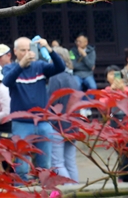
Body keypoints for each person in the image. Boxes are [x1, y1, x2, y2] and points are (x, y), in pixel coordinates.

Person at [2, 37, 65, 179]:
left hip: (43, 122)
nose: (27, 53)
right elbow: (7, 81)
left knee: (45, 165)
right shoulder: (10, 68)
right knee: (22, 166)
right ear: (15, 52)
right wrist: (21, 65)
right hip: (21, 124)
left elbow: (61, 67)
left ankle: (45, 192)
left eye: (29, 49)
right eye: (23, 50)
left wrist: (49, 48)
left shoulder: (40, 66)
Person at [47, 46, 80, 182]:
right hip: (73, 124)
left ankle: (68, 191)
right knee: (70, 162)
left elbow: (52, 102)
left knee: (57, 163)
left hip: (58, 125)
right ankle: (77, 190)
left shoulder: (55, 77)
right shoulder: (72, 78)